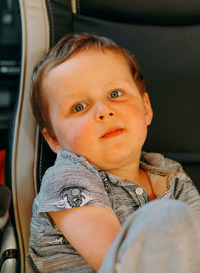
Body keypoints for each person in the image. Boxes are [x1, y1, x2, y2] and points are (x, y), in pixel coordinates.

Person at [27, 33, 200, 273]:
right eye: (79, 107)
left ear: (146, 108)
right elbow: (116, 262)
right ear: (54, 139)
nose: (104, 110)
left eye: (115, 94)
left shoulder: (170, 174)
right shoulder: (67, 179)